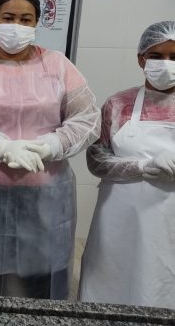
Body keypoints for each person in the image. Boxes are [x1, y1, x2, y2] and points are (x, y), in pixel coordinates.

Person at [0, 0, 100, 300]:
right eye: (8, 18)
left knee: (41, 277)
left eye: (26, 19)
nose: (17, 26)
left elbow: (88, 119)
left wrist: (53, 144)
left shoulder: (58, 66)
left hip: (45, 196)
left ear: (36, 23)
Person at [79, 21, 175, 310]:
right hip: (118, 221)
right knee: (110, 285)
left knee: (160, 286)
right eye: (156, 56)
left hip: (168, 224)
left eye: (174, 57)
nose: (166, 64)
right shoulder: (118, 104)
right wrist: (141, 167)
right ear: (141, 59)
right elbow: (97, 159)